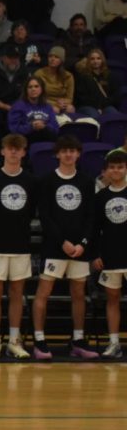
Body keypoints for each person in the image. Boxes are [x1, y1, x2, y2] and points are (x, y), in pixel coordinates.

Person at [31, 135, 98, 360]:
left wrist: (83, 244)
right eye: (64, 151)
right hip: (54, 246)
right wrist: (62, 242)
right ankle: (39, 340)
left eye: (73, 151)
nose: (69, 154)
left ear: (78, 155)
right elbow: (45, 216)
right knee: (44, 292)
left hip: (80, 249)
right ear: (57, 154)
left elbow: (91, 217)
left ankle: (78, 340)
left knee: (79, 293)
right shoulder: (47, 181)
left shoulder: (87, 182)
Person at [0, 133, 36, 359]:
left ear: (24, 152)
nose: (13, 152)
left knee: (17, 292)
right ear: (3, 151)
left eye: (18, 148)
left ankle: (14, 340)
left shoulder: (31, 180)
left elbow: (31, 211)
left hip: (21, 244)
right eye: (9, 148)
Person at [91, 149, 127, 358]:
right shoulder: (101, 197)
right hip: (110, 255)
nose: (116, 170)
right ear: (106, 171)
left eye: (120, 167)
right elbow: (94, 229)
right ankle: (114, 343)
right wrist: (95, 254)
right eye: (112, 167)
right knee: (112, 299)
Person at [0, 44, 28, 155]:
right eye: (10, 57)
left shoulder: (25, 72)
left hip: (17, 104)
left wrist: (16, 107)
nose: (13, 61)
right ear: (2, 58)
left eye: (16, 58)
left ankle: (20, 148)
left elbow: (28, 94)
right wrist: (6, 107)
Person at [74, 48, 123, 120]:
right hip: (87, 106)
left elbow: (114, 96)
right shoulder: (83, 76)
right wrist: (97, 107)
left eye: (98, 58)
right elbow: (81, 98)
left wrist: (102, 106)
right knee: (95, 117)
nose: (95, 61)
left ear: (102, 60)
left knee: (114, 116)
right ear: (88, 61)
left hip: (105, 106)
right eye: (92, 59)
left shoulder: (109, 76)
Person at [8, 77, 58, 145]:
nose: (33, 89)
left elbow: (55, 128)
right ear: (26, 90)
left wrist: (44, 126)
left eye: (36, 86)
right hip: (27, 140)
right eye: (30, 87)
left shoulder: (48, 107)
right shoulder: (18, 106)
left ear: (42, 89)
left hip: (46, 138)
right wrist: (31, 127)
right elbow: (14, 128)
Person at [33, 46, 75, 118]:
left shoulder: (68, 76)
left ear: (61, 60)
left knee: (70, 109)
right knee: (54, 110)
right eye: (50, 56)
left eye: (56, 57)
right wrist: (54, 104)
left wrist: (64, 103)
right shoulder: (39, 74)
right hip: (43, 103)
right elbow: (36, 95)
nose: (52, 59)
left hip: (61, 104)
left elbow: (70, 98)